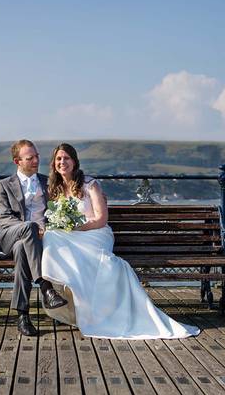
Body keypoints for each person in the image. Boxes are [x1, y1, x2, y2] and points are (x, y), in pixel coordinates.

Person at [41, 143, 200, 339]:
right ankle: (65, 301)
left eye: (66, 158)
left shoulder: (91, 184)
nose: (62, 162)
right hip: (72, 235)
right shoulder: (54, 189)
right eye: (58, 159)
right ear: (53, 163)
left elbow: (101, 219)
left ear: (74, 161)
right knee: (50, 235)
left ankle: (93, 311)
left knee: (62, 241)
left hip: (95, 233)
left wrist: (77, 227)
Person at [0, 139, 68, 337]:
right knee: (27, 230)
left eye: (37, 156)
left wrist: (48, 229)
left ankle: (23, 317)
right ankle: (46, 287)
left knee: (23, 249)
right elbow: (4, 218)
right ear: (17, 161)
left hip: (37, 241)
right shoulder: (3, 185)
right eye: (30, 158)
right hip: (9, 237)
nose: (36, 160)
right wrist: (30, 229)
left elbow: (59, 211)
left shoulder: (49, 182)